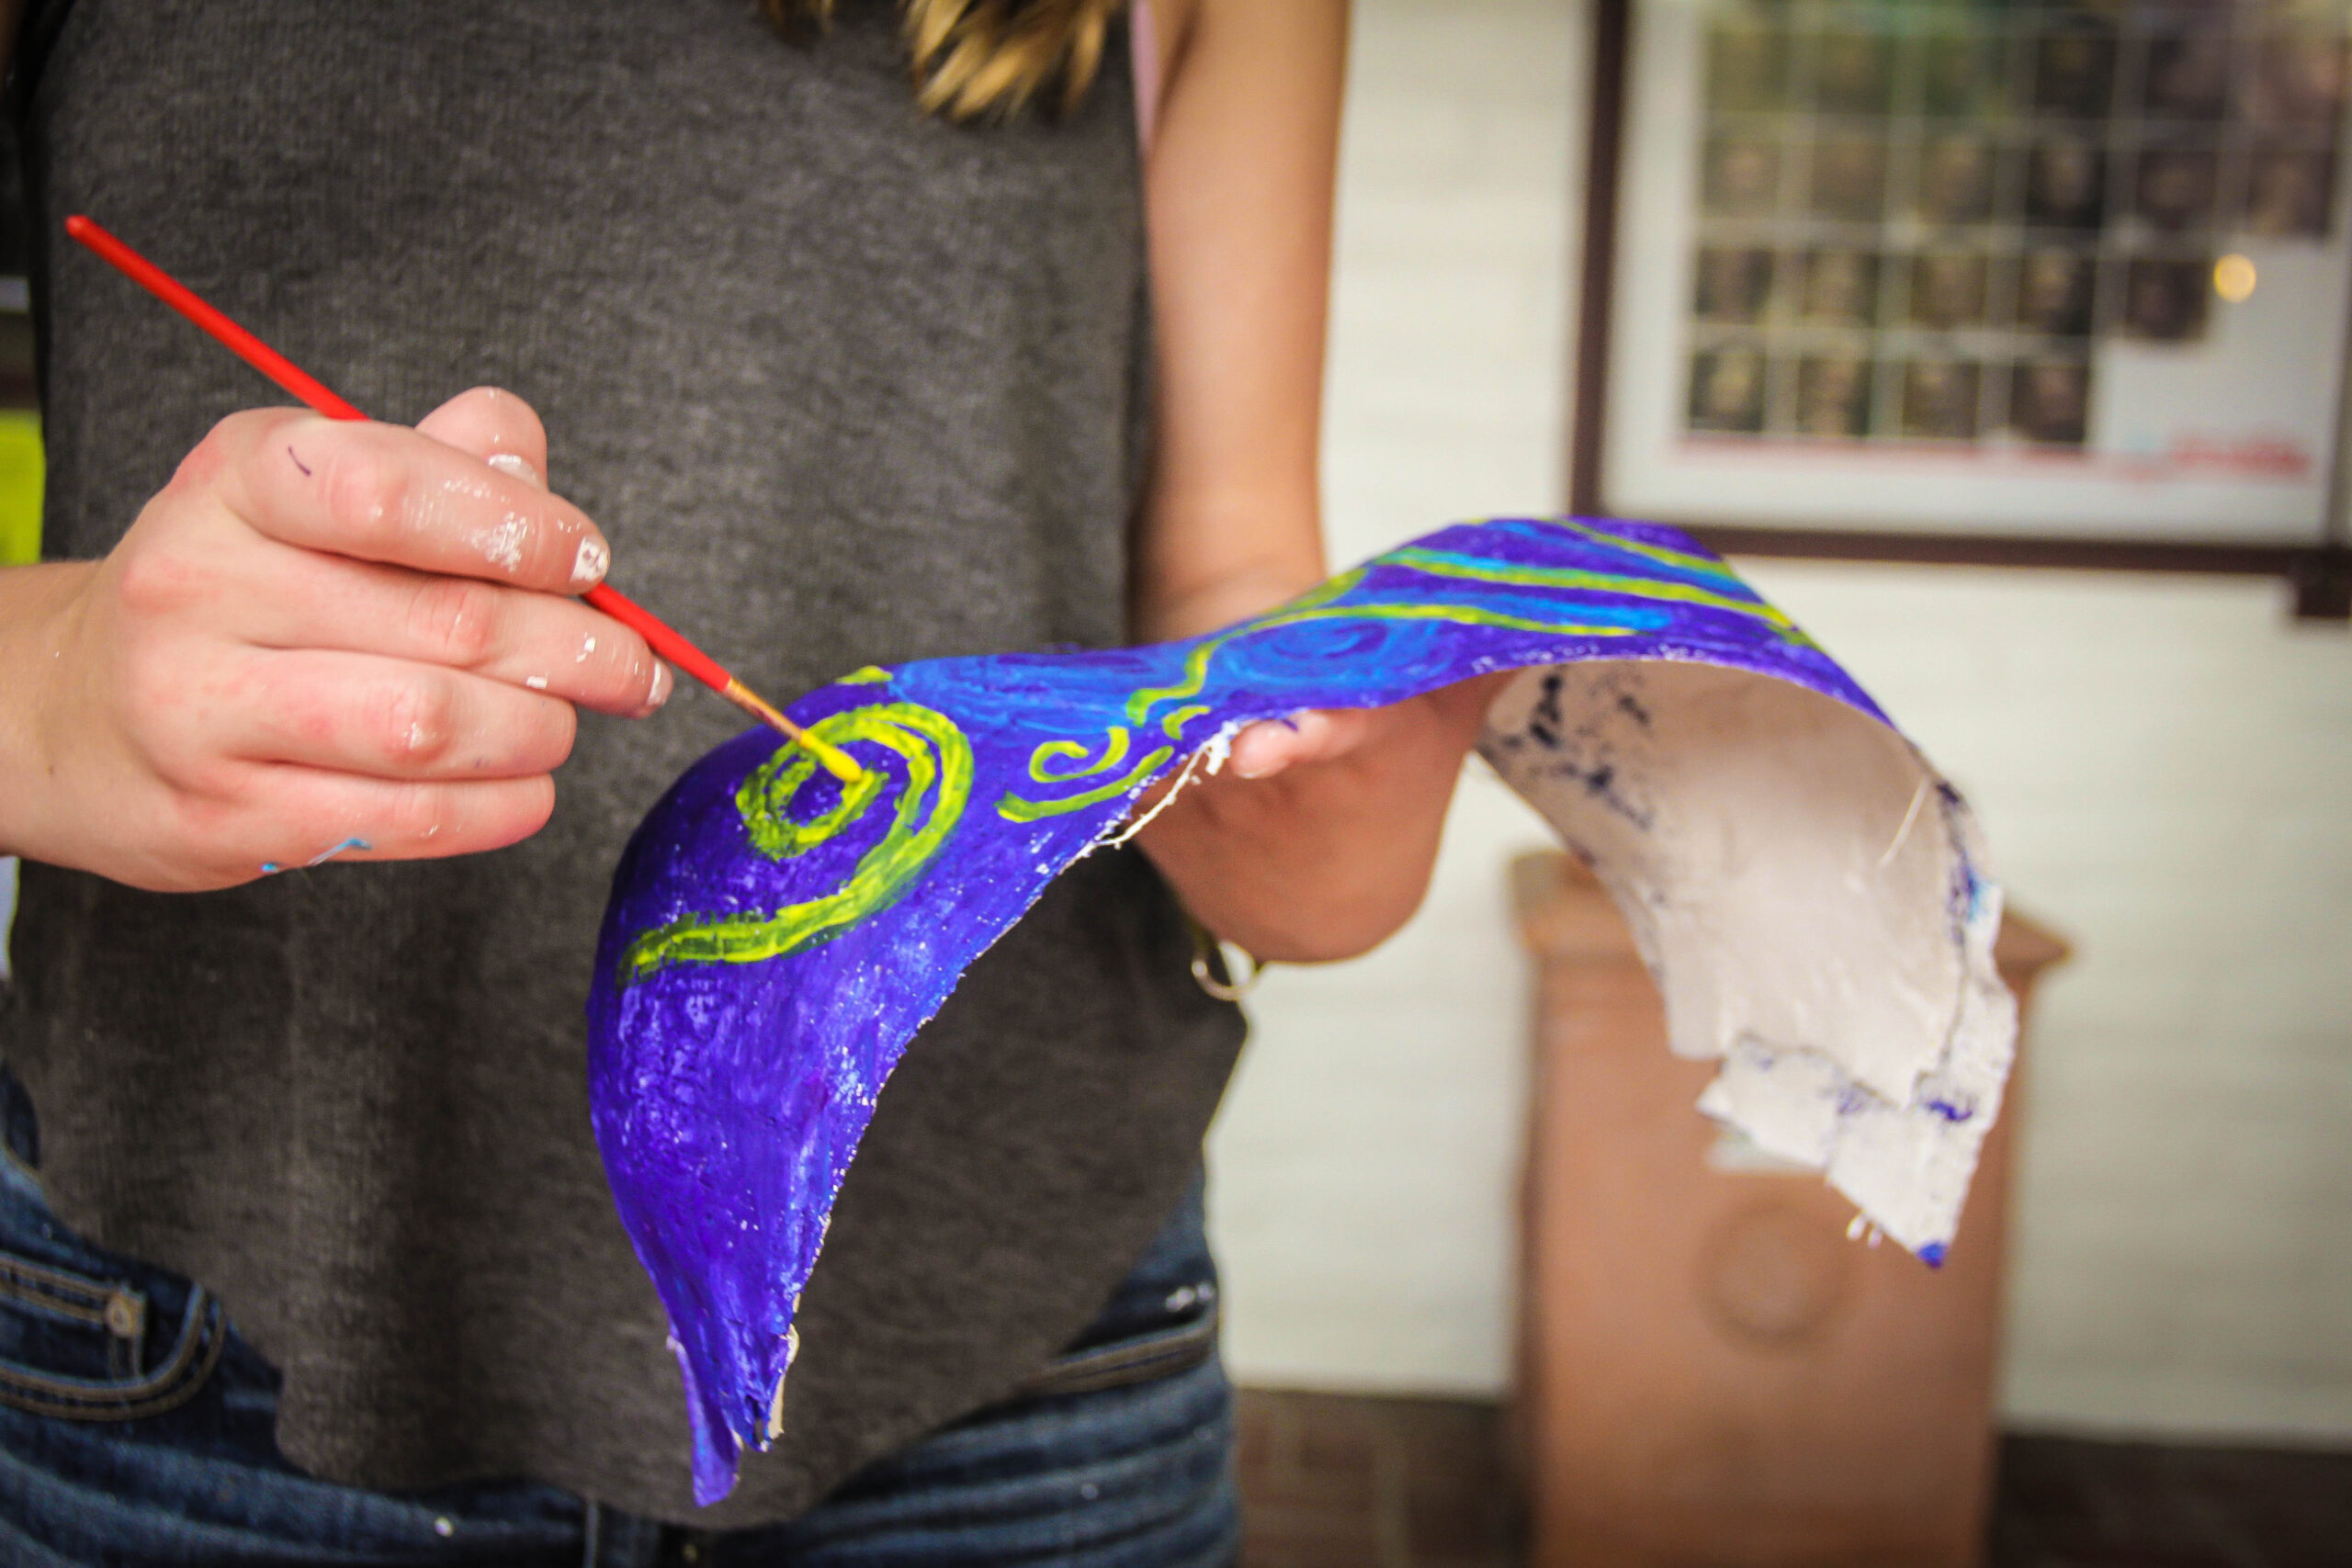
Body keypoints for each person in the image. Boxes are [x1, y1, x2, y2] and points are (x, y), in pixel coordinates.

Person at [0, 1, 1494, 1562]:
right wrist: (59, 695)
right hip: (197, 1349)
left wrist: (1312, 780)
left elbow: (1231, 576)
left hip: (1021, 1365)